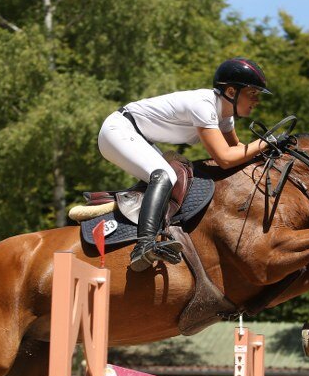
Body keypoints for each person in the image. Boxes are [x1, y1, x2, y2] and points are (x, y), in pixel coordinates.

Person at [98, 57, 273, 271]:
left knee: (173, 179)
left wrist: (267, 154)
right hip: (118, 130)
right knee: (165, 175)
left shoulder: (225, 117)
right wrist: (265, 143)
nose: (257, 100)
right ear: (230, 91)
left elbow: (239, 150)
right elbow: (225, 158)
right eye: (253, 93)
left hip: (138, 136)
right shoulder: (204, 105)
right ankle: (143, 246)